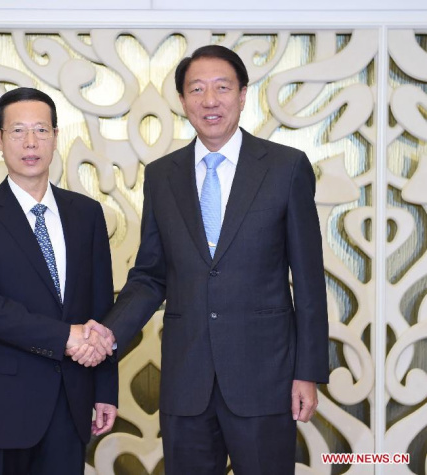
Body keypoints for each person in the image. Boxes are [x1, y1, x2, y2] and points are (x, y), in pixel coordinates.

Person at [69, 45, 329, 474]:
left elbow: (308, 278)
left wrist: (308, 372)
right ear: (183, 100)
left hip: (265, 378)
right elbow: (151, 276)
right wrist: (107, 335)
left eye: (222, 88)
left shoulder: (285, 168)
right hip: (186, 381)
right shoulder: (161, 174)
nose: (210, 101)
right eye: (197, 90)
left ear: (243, 95)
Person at [0, 87, 117, 475]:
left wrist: (105, 389)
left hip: (71, 399)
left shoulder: (86, 214)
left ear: (56, 136)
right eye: (18, 131)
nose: (30, 142)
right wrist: (65, 337)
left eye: (41, 130)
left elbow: (101, 308)